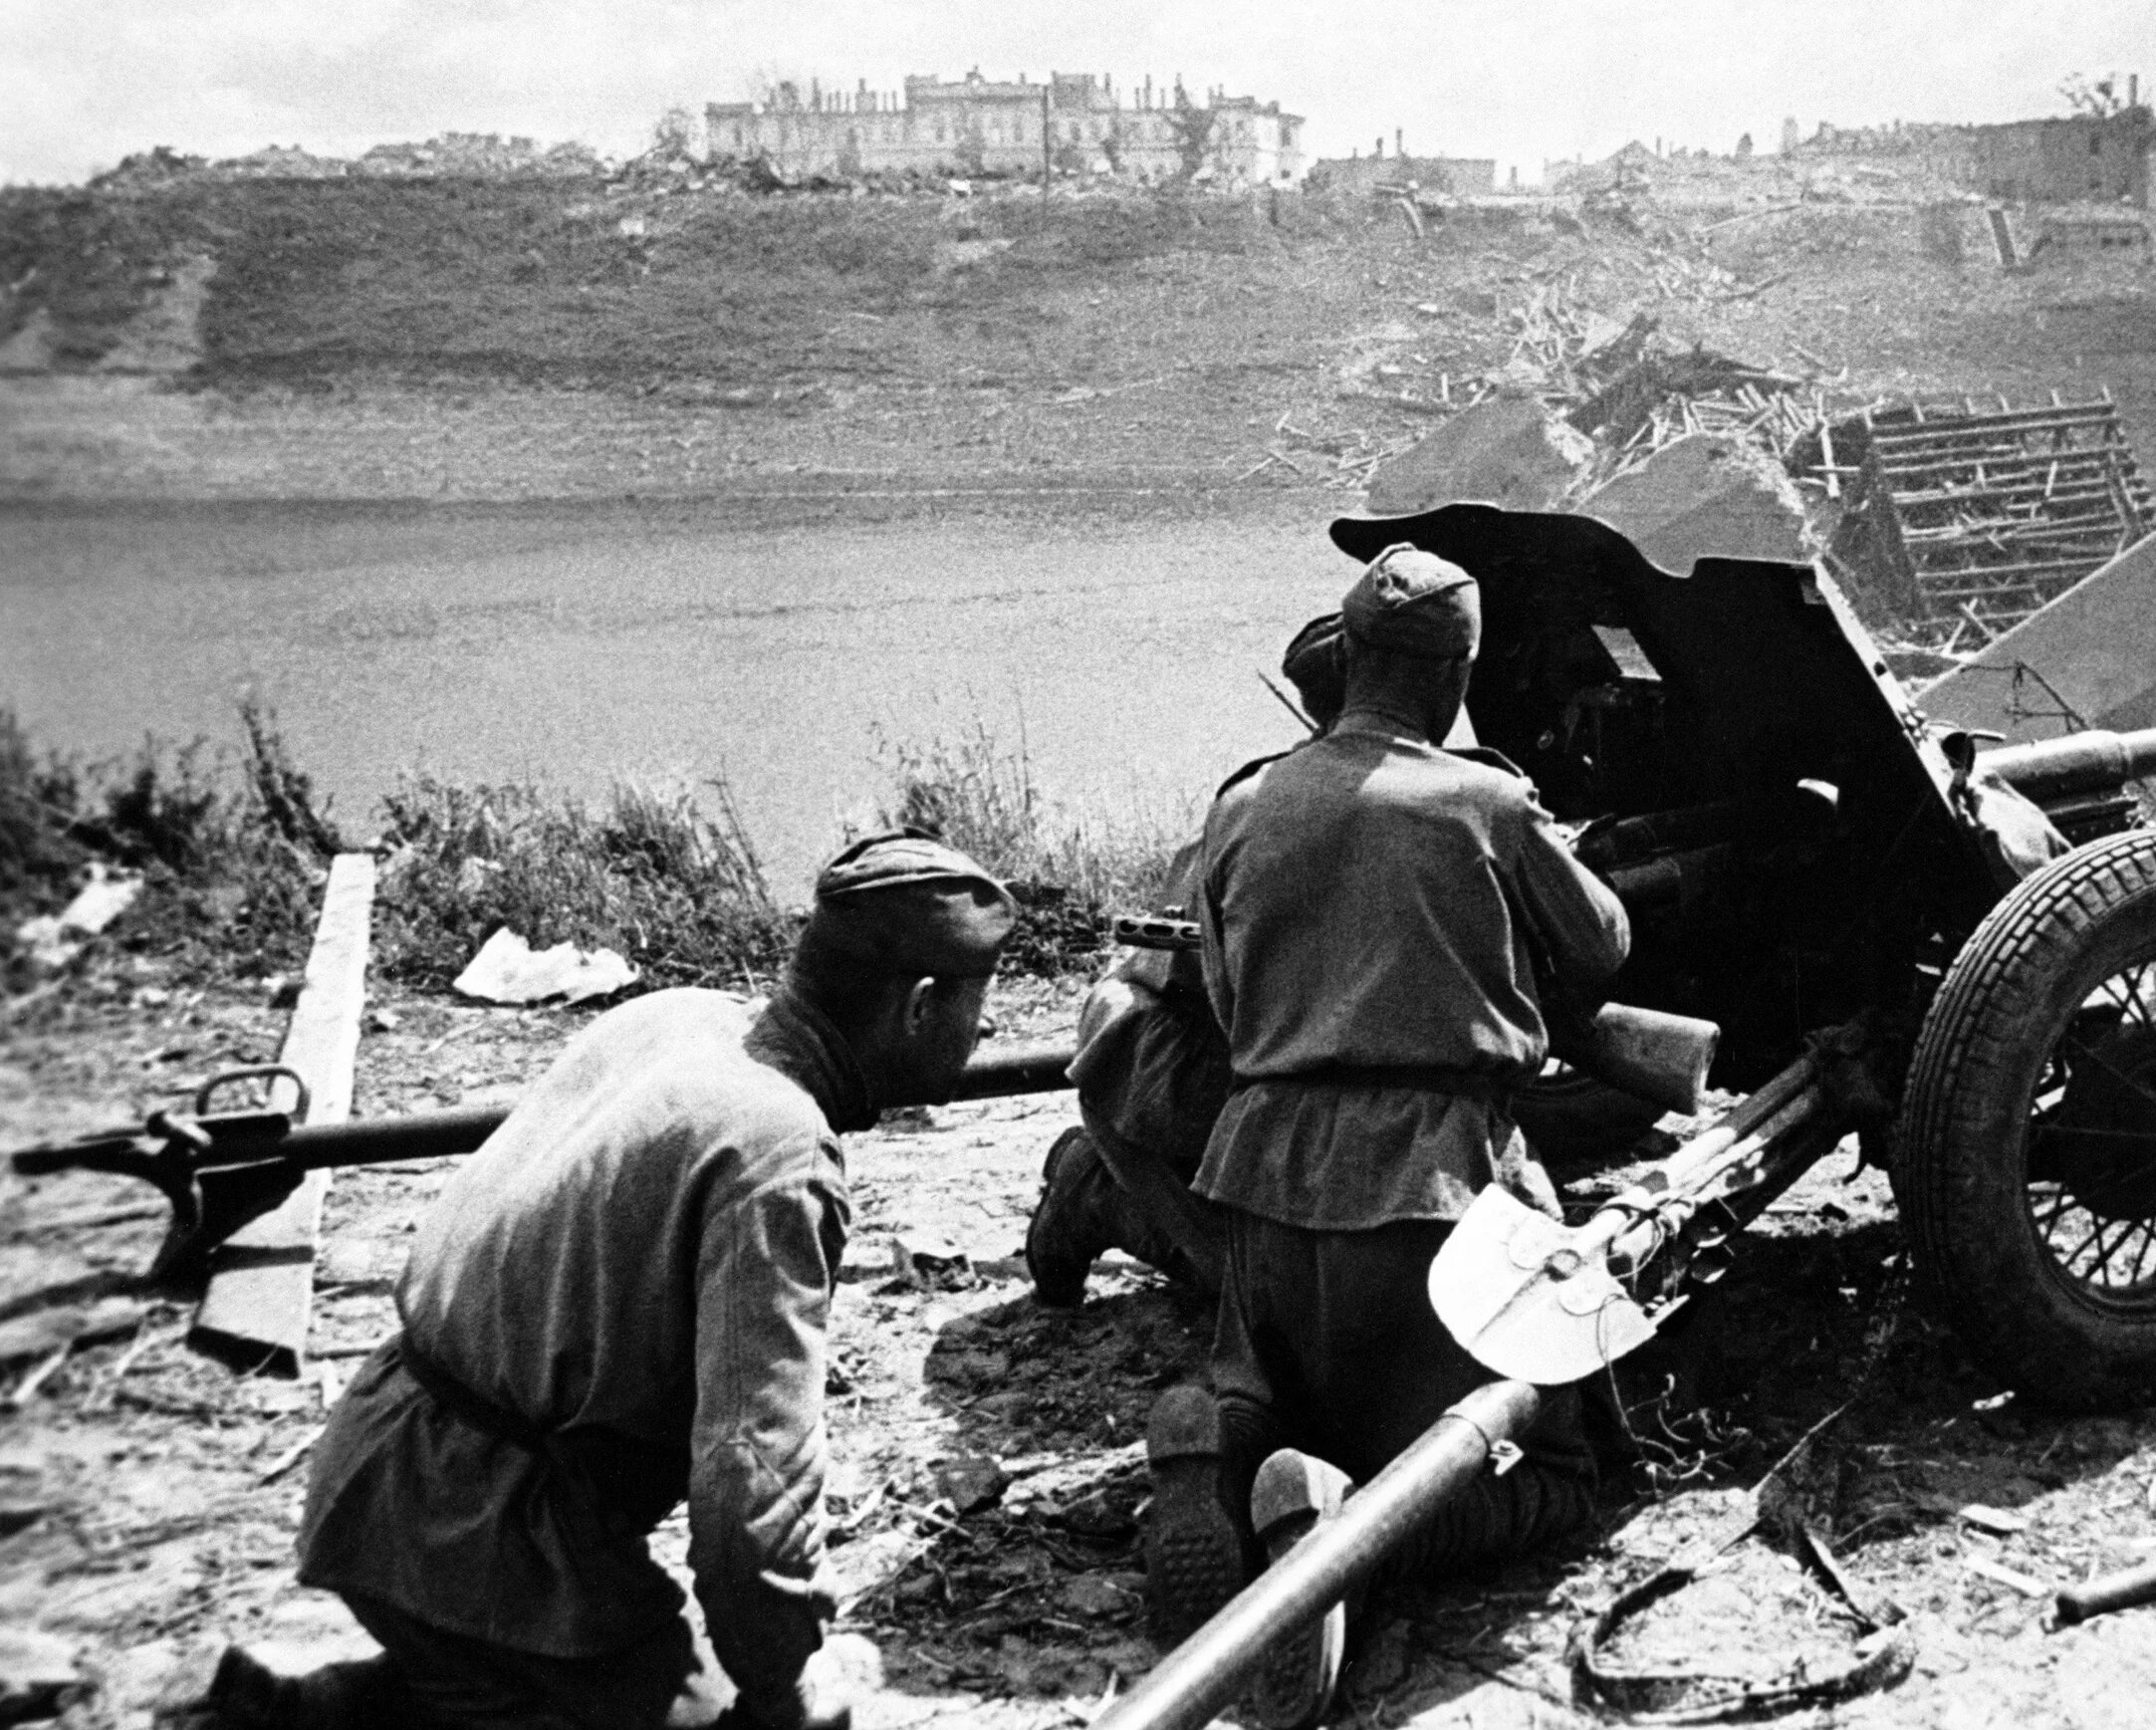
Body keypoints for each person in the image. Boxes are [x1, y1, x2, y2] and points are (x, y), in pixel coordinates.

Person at [211, 833, 1017, 1730]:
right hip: (482, 1530)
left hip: (377, 1453)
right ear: (917, 1005)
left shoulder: (682, 1014)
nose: (987, 1028)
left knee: (522, 1686)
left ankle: (309, 1706)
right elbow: (749, 1488)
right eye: (979, 1001)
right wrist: (786, 1686)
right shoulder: (778, 1154)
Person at [1139, 543, 1632, 1726]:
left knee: (1280, 1376)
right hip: (1434, 1192)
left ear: (1347, 656)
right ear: (1458, 673)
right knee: (1566, 1467)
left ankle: (1212, 1441)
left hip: (1260, 1177)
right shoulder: (1488, 802)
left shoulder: (1244, 801)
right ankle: (1348, 1537)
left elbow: (1215, 978)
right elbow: (1605, 944)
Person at [1023, 614, 1346, 1306]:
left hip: (1309, 1070)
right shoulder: (1264, 806)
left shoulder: (1437, 795)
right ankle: (1097, 1193)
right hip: (1189, 1053)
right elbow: (1175, 973)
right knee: (1261, 1303)